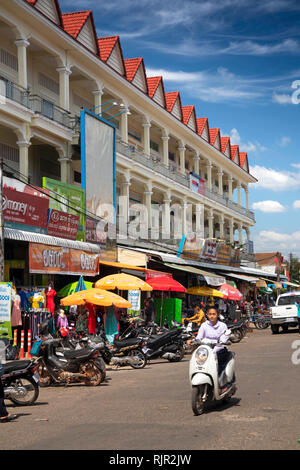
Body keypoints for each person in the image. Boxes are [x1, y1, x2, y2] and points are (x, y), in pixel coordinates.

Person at [196, 305, 231, 391]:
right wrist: (194, 340)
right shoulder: (204, 325)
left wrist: (217, 347)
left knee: (219, 365)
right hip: (205, 350)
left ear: (217, 315)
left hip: (219, 349)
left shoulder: (222, 326)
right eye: (210, 314)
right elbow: (199, 337)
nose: (212, 316)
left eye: (214, 314)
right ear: (207, 315)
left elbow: (224, 338)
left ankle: (222, 384)